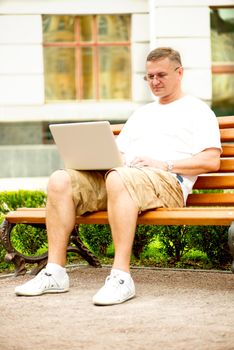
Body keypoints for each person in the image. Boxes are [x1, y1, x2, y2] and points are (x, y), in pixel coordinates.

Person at [15, 47, 221, 305]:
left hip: (168, 182)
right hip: (124, 176)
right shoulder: (141, 114)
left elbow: (211, 160)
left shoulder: (198, 111)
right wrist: (103, 161)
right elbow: (118, 153)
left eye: (161, 75)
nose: (154, 82)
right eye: (149, 77)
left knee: (118, 178)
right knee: (61, 180)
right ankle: (55, 273)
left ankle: (121, 277)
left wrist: (165, 164)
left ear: (179, 73)